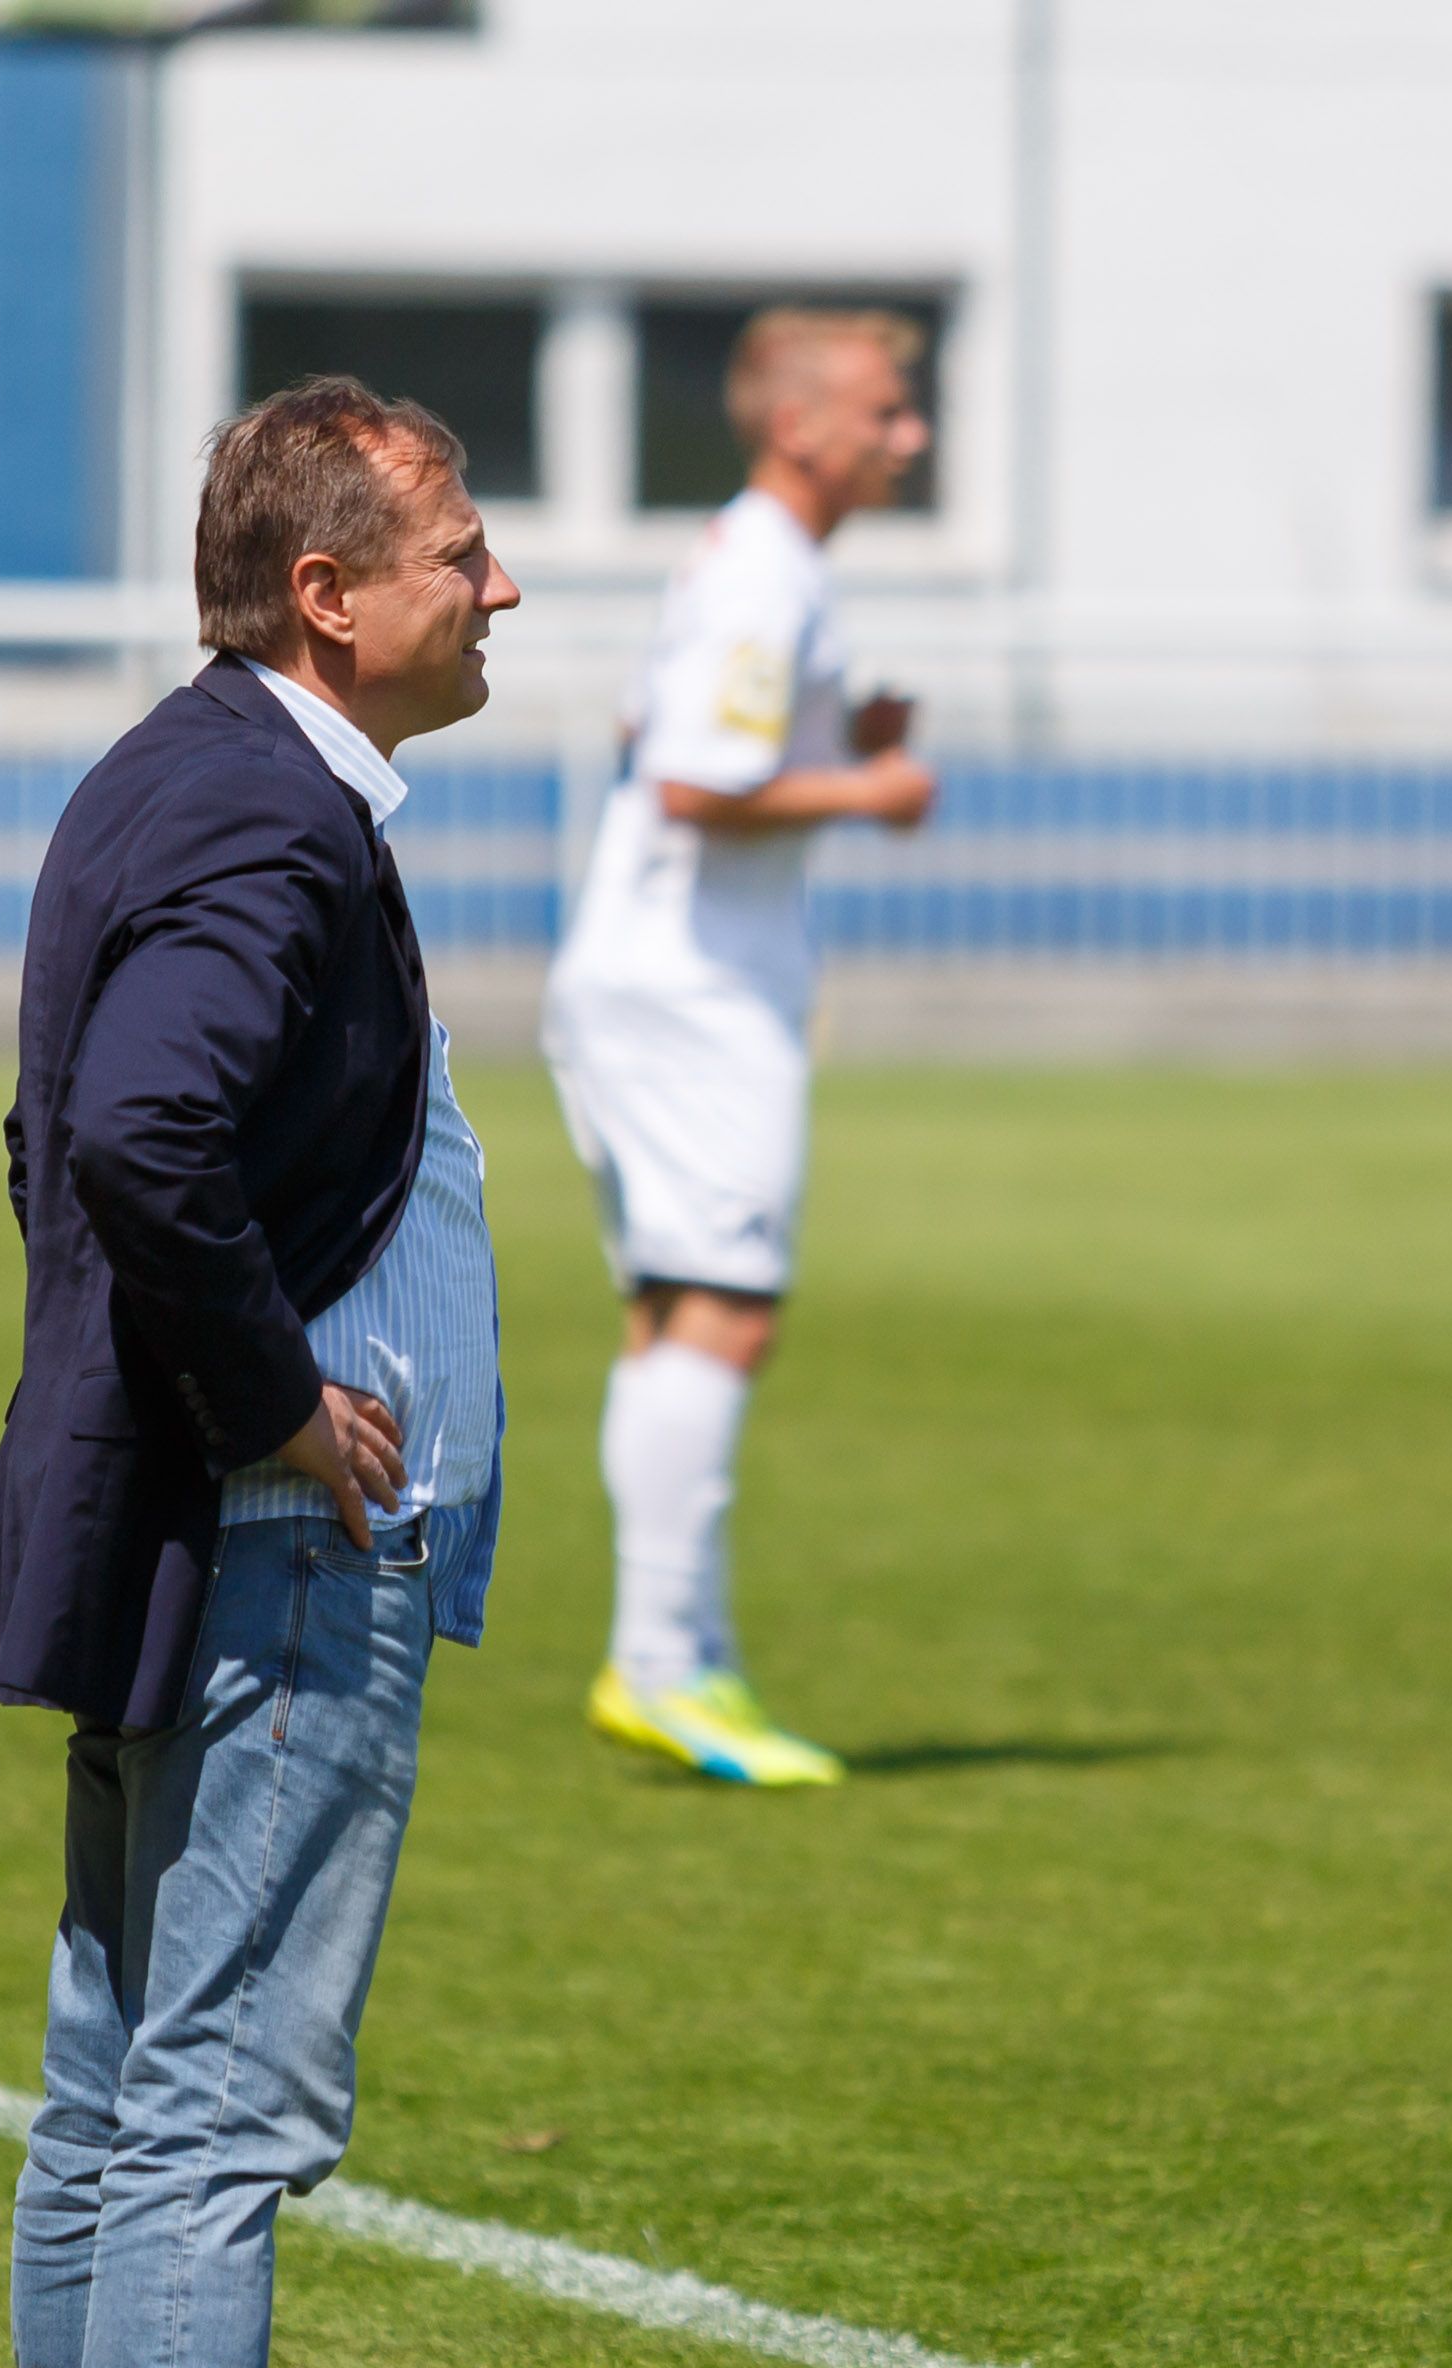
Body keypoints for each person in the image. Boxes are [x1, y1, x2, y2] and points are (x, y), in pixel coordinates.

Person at [0, 376, 517, 2368]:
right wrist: (270, 1400)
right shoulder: (266, 816)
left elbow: (58, 1135)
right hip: (275, 1549)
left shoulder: (190, 773)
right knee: (209, 2110)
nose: (499, 584)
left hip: (194, 1528)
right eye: (461, 548)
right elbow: (138, 1129)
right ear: (327, 592)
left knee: (116, 2098)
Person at [541, 307, 938, 1788]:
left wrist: (840, 744)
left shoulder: (754, 560)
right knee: (723, 1313)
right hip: (692, 994)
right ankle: (660, 1662)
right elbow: (697, 784)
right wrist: (874, 788)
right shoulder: (763, 570)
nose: (910, 436)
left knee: (675, 1316)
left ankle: (677, 1657)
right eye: (885, 411)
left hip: (660, 979)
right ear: (797, 425)